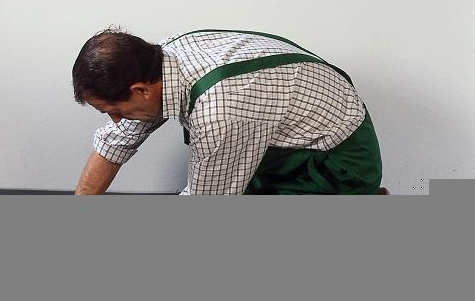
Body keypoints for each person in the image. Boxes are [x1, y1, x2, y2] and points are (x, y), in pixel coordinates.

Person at [72, 28, 384, 195]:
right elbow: (115, 141)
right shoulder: (162, 58)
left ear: (141, 90)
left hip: (338, 161)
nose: (116, 119)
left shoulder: (219, 112)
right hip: (283, 131)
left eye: (114, 110)